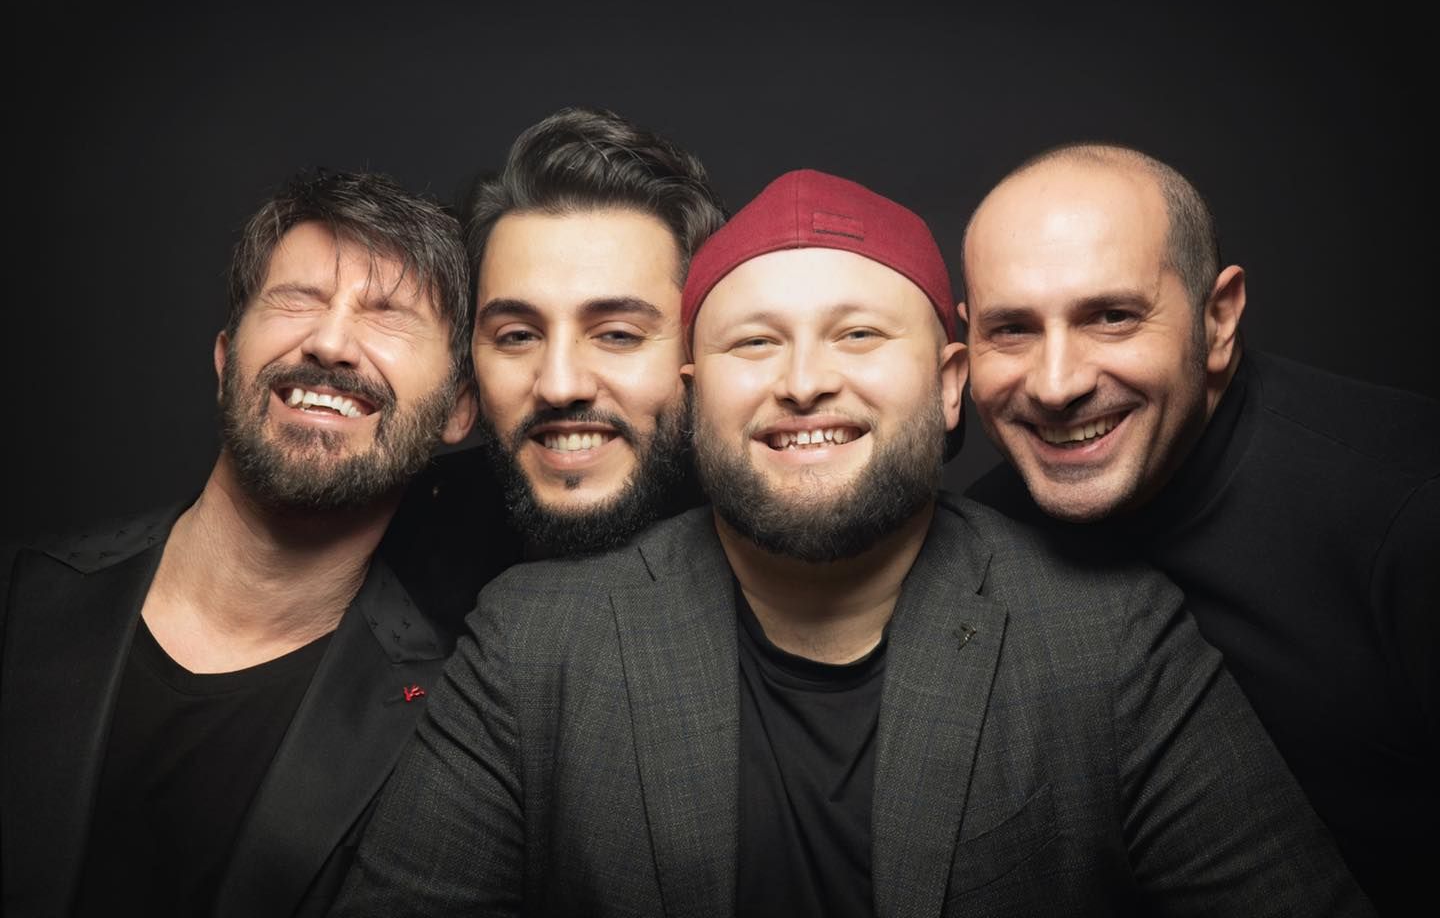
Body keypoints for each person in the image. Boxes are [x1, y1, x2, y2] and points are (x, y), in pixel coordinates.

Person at [334, 169, 1368, 916]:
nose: (803, 383)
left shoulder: (1114, 636)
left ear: (952, 383)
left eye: (859, 335)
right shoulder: (534, 644)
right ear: (694, 397)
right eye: (754, 343)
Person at [961, 143, 1438, 913]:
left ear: (1218, 320)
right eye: (1012, 329)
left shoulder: (1410, 507)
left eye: (1112, 317)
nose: (1055, 384)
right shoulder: (973, 550)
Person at [1, 170, 479, 918]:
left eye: (387, 316)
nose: (330, 342)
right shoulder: (18, 599)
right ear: (227, 360)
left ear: (457, 410)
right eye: (299, 299)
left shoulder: (456, 720)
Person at [381, 106, 727, 587]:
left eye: (618, 335)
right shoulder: (397, 548)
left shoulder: (776, 570)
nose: (560, 386)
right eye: (518, 336)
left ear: (699, 348)